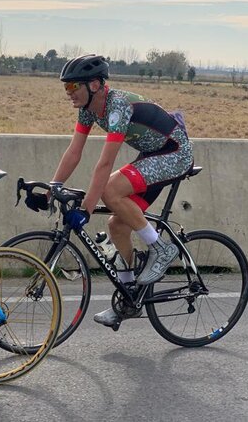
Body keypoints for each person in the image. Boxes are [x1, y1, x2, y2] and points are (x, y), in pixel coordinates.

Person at [48, 54, 194, 327]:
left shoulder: (117, 106)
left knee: (111, 190)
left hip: (175, 153)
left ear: (94, 85)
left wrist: (85, 209)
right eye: (65, 87)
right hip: (153, 153)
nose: (68, 93)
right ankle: (129, 299)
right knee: (116, 224)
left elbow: (105, 164)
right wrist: (51, 188)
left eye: (72, 87)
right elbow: (74, 151)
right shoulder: (89, 109)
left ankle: (160, 248)